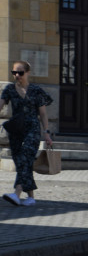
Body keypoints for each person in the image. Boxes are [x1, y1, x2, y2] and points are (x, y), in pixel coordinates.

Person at [2, 61, 54, 207]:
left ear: (28, 73)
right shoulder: (9, 89)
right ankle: (30, 197)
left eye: (20, 72)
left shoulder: (36, 90)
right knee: (21, 163)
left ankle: (16, 194)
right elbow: (0, 105)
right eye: (14, 73)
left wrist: (46, 133)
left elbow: (43, 114)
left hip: (32, 129)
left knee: (25, 157)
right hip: (16, 130)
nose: (17, 75)